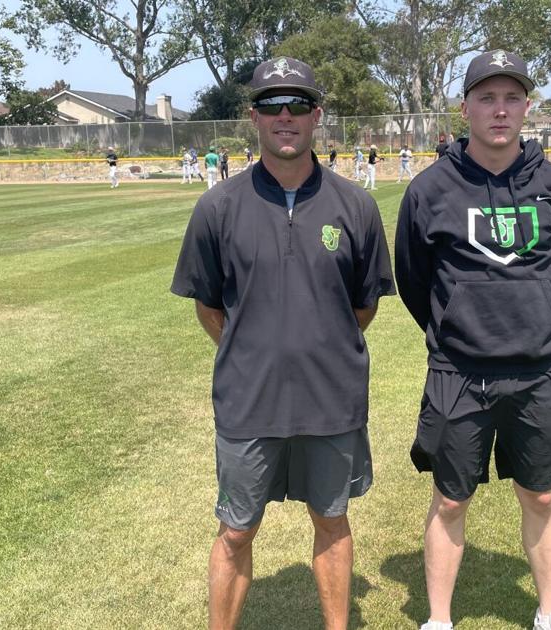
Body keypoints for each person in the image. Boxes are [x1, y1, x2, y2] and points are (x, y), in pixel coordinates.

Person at [171, 56, 395, 630]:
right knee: (237, 528)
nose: (286, 115)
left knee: (332, 519)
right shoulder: (218, 206)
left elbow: (362, 307)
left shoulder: (357, 206)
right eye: (272, 105)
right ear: (254, 117)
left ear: (318, 115)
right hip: (250, 399)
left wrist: (318, 344)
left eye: (298, 104)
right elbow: (208, 305)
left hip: (331, 399)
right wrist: (255, 350)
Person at [394, 49, 551, 630]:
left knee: (542, 495)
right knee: (451, 499)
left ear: (528, 106)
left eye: (511, 98)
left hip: (537, 373)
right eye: (486, 97)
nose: (499, 110)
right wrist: (462, 323)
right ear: (465, 108)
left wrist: (535, 319)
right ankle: (438, 619)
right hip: (459, 374)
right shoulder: (430, 191)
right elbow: (414, 281)